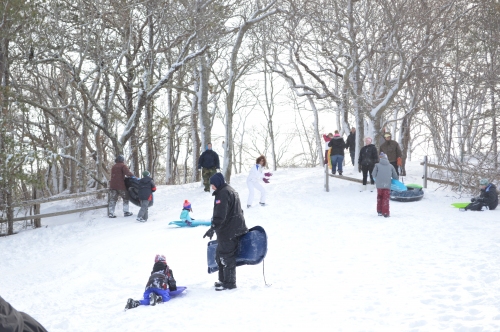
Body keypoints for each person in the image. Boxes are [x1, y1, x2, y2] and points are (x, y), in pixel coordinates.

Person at [203, 173, 248, 291]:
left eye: (212, 184)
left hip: (229, 231)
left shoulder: (222, 193)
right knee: (220, 255)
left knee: (226, 256)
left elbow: (220, 215)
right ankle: (223, 280)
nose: (212, 187)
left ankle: (230, 283)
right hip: (233, 229)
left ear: (217, 182)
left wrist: (213, 227)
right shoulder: (231, 191)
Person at [372, 152, 398, 217]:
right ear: (387, 158)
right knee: (385, 199)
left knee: (379, 198)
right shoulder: (391, 166)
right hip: (387, 185)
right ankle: (385, 213)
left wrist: (377, 179)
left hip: (379, 186)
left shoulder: (377, 165)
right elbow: (395, 176)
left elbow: (373, 174)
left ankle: (379, 211)